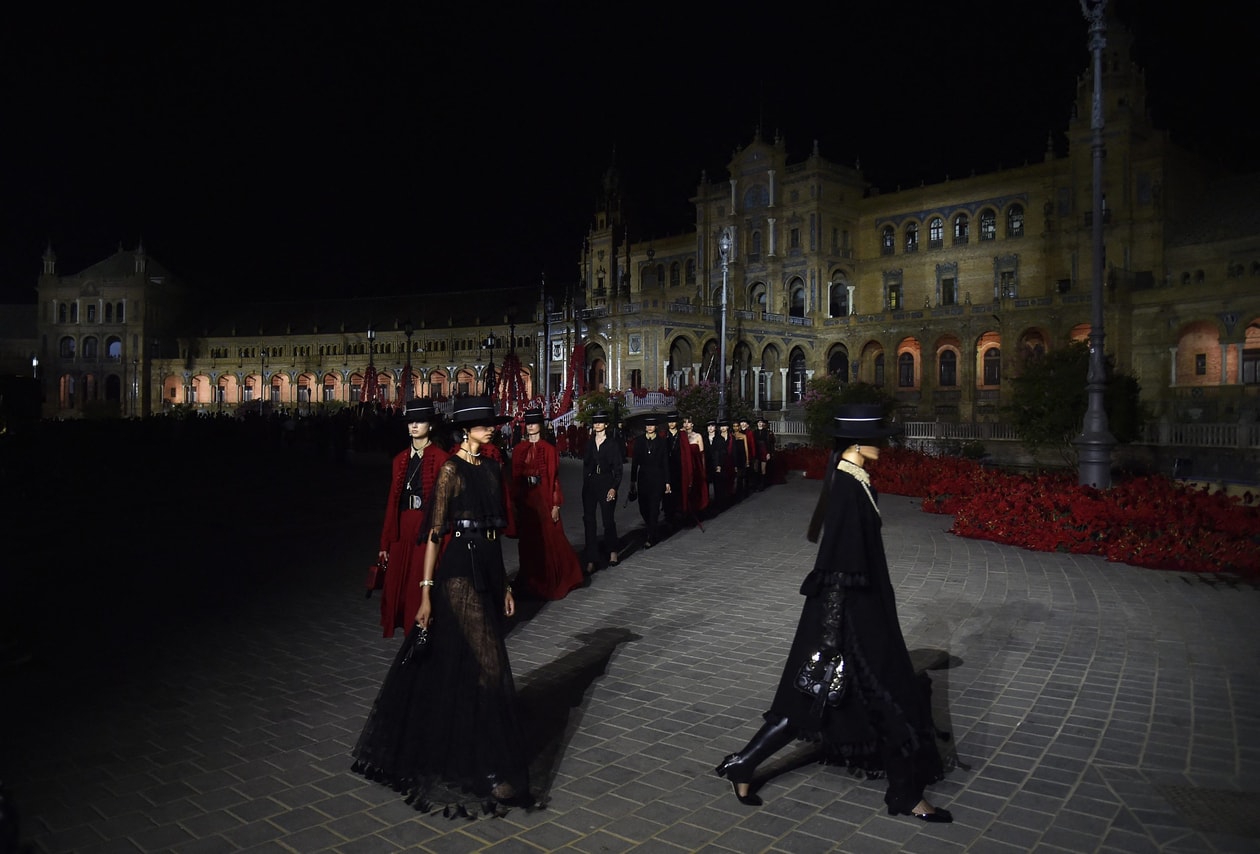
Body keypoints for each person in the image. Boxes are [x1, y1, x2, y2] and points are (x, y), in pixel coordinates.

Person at [714, 403, 952, 822]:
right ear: (859, 443)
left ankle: (743, 765)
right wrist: (832, 636)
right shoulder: (847, 486)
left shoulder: (853, 478)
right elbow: (839, 560)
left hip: (849, 609)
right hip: (851, 614)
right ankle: (905, 794)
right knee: (890, 696)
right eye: (879, 438)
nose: (884, 445)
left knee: (811, 698)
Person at [352, 395, 531, 814]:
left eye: (492, 424)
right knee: (490, 662)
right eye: (485, 425)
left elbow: (495, 531)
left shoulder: (491, 467)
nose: (492, 429)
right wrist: (427, 591)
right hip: (456, 572)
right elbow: (434, 535)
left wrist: (505, 584)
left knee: (463, 663)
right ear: (467, 430)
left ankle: (452, 737)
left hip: (487, 569)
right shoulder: (449, 470)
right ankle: (489, 768)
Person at [375, 398, 450, 637]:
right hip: (403, 526)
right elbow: (391, 503)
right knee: (400, 581)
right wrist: (385, 543)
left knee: (420, 579)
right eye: (410, 422)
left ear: (431, 425)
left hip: (425, 526)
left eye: (420, 421)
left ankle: (420, 630)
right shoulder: (399, 460)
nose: (414, 426)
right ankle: (409, 632)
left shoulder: (441, 458)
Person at [511, 407, 584, 600]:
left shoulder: (549, 450)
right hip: (527, 499)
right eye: (529, 423)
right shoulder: (519, 450)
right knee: (528, 540)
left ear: (540, 426)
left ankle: (562, 575)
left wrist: (555, 504)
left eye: (535, 423)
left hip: (543, 497)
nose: (531, 427)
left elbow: (554, 479)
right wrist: (514, 504)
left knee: (551, 537)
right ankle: (530, 579)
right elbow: (515, 478)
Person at [581, 410, 623, 572]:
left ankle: (612, 551)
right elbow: (585, 464)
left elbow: (618, 469)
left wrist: (614, 488)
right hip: (591, 483)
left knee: (608, 519)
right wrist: (586, 483)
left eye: (600, 422)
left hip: (606, 481)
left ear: (606, 424)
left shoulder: (612, 444)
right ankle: (591, 558)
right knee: (589, 521)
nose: (597, 424)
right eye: (595, 422)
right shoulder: (590, 443)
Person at [628, 413, 670, 548]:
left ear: (656, 426)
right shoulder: (639, 441)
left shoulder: (661, 442)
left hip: (657, 477)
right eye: (648, 425)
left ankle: (651, 535)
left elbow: (665, 462)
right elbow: (635, 462)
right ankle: (651, 526)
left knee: (654, 507)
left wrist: (667, 481)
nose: (650, 427)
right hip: (643, 477)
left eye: (652, 425)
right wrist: (632, 481)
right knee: (643, 506)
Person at [702, 419, 728, 510]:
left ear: (715, 427)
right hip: (707, 465)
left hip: (717, 465)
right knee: (706, 485)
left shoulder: (720, 439)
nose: (710, 428)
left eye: (712, 426)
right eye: (709, 426)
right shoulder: (704, 438)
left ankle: (719, 504)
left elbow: (723, 453)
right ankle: (707, 503)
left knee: (718, 485)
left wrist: (719, 465)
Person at [752, 416, 776, 491]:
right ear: (757, 424)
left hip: (764, 450)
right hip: (756, 450)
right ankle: (756, 484)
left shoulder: (767, 432)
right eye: (759, 422)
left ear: (763, 423)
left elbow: (769, 443)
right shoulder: (754, 432)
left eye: (761, 422)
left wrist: (768, 453)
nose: (760, 424)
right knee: (756, 468)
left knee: (763, 468)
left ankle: (762, 484)